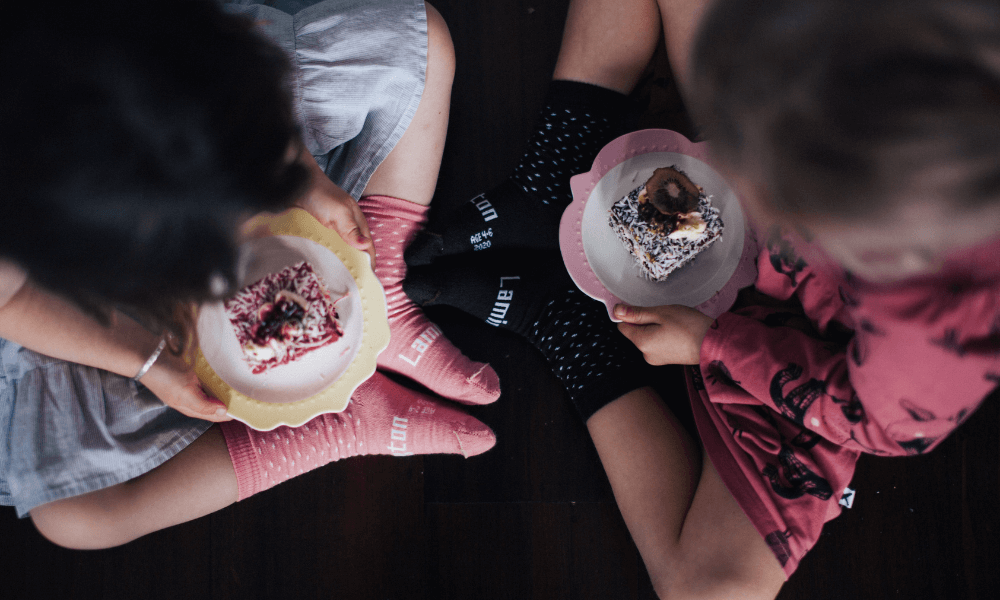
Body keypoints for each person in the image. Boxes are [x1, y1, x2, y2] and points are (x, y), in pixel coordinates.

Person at [402, 0, 1000, 597]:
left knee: (706, 593)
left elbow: (873, 422)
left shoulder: (940, 345)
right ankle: (546, 179)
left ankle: (560, 319)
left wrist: (713, 344)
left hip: (806, 360)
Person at [0, 0, 499, 548]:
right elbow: (13, 301)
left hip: (241, 139)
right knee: (76, 518)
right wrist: (145, 362)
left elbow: (249, 59)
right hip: (108, 317)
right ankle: (344, 423)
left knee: (423, 38)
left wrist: (299, 173)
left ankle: (380, 286)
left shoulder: (147, 46)